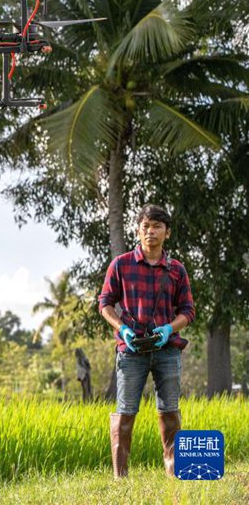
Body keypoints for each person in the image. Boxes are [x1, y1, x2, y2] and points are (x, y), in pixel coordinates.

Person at [98, 204, 195, 479]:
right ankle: (120, 477)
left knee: (170, 410)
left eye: (156, 227)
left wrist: (168, 329)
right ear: (138, 231)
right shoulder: (121, 265)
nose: (150, 232)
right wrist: (122, 328)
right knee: (125, 410)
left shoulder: (177, 270)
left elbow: (188, 310)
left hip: (167, 350)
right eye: (145, 227)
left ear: (167, 233)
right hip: (131, 351)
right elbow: (104, 303)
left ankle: (174, 472)